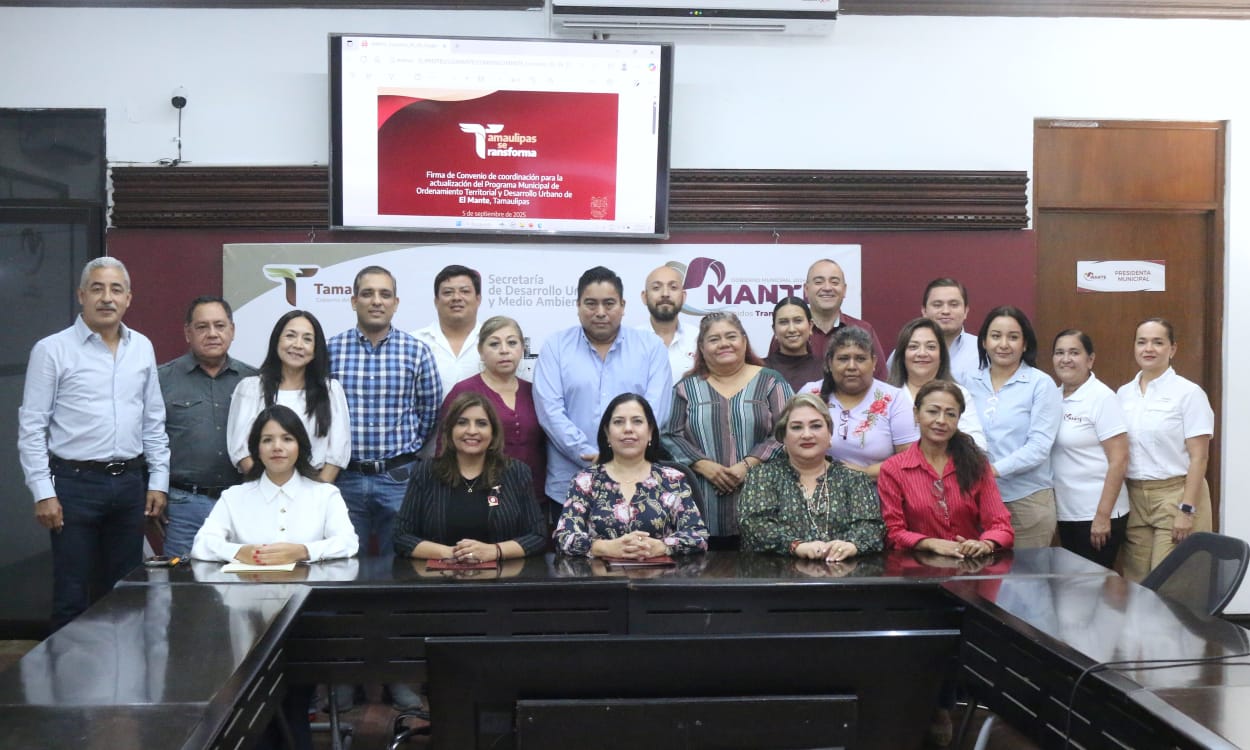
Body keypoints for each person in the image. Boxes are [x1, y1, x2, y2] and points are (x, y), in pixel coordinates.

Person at [191, 404, 358, 750]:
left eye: (286, 438)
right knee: (256, 710)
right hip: (247, 620)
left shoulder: (324, 494)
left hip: (305, 616)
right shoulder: (236, 496)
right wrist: (239, 551)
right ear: (256, 448)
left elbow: (348, 542)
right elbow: (202, 545)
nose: (277, 447)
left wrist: (302, 550)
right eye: (267, 440)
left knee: (293, 705)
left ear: (300, 446)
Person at [18, 257, 170, 629]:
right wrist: (43, 492)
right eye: (97, 288)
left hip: (130, 485)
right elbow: (32, 427)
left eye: (116, 289)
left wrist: (158, 481)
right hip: (74, 487)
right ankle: (67, 669)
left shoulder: (142, 347)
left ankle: (121, 667)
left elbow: (153, 419)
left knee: (125, 594)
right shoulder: (52, 350)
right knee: (72, 595)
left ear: (128, 298)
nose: (107, 298)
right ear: (81, 295)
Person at [328, 266, 438, 712]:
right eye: (368, 293)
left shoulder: (416, 351)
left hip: (399, 480)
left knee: (402, 583)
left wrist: (405, 459)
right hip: (343, 479)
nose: (376, 301)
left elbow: (430, 414)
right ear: (353, 300)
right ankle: (344, 678)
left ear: (396, 303)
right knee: (341, 581)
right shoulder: (330, 350)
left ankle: (399, 679)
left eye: (385, 294)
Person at [534, 266, 673, 525]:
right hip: (569, 483)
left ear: (623, 306)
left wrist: (618, 458)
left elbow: (655, 412)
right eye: (591, 304)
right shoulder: (555, 347)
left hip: (638, 485)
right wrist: (590, 454)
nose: (600, 312)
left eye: (609, 303)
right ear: (578, 305)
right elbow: (550, 412)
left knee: (638, 549)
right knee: (571, 550)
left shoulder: (651, 347)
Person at [663, 312, 792, 544]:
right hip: (701, 507)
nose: (724, 344)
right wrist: (704, 465)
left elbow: (789, 430)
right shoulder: (686, 388)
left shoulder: (771, 381)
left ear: (744, 341)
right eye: (714, 339)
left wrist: (747, 465)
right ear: (701, 348)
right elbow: (669, 434)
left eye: (731, 336)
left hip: (765, 504)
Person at [158, 295, 258, 557]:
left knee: (241, 579)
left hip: (242, 504)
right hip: (183, 506)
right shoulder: (162, 379)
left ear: (232, 330)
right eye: (202, 327)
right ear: (187, 333)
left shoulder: (254, 381)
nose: (212, 333)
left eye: (220, 325)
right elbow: (148, 441)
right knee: (182, 580)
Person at [1116, 318, 1214, 581]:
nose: (1149, 348)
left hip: (1176, 494)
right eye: (1142, 342)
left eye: (1158, 342)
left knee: (1170, 584)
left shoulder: (1189, 393)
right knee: (1136, 583)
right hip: (1135, 497)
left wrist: (1187, 510)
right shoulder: (1123, 394)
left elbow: (1200, 457)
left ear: (1172, 349)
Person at [394, 393, 546, 560]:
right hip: (440, 574)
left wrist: (494, 551)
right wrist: (453, 554)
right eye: (462, 423)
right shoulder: (426, 472)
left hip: (502, 575)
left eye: (481, 424)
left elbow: (537, 536)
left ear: (493, 432)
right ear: (449, 430)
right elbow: (401, 536)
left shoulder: (516, 471)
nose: (472, 431)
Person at [556, 393, 708, 557]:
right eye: (618, 422)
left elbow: (698, 536)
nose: (628, 429)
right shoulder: (585, 481)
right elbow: (564, 537)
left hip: (661, 571)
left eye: (637, 421)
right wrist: (605, 547)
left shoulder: (673, 479)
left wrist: (662, 546)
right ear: (607, 433)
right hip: (599, 572)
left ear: (650, 432)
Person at [739, 394, 884, 562]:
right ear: (783, 437)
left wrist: (851, 545)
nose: (807, 435)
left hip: (842, 571)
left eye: (816, 426)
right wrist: (797, 546)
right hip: (776, 572)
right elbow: (755, 525)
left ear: (829, 434)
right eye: (796, 427)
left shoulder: (854, 479)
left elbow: (872, 527)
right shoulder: (762, 476)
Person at [878, 380, 1015, 555]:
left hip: (968, 562)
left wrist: (986, 544)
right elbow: (892, 532)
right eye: (933, 411)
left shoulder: (976, 463)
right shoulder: (894, 469)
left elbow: (1001, 525)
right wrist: (929, 543)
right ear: (916, 414)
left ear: (959, 419)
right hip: (917, 564)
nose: (941, 420)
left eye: (950, 414)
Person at [965, 306, 1062, 549]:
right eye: (996, 336)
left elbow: (1039, 446)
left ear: (1025, 344)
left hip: (1025, 502)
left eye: (1013, 337)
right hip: (975, 501)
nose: (1004, 344)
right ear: (984, 342)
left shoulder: (1040, 384)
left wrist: (992, 471)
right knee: (978, 572)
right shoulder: (968, 381)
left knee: (1026, 574)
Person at [227, 310, 350, 482]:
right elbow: (241, 451)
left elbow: (337, 453)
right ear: (276, 340)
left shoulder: (330, 391)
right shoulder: (251, 389)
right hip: (262, 487)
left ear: (316, 349)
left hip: (315, 487)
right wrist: (271, 488)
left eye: (307, 339)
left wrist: (316, 493)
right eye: (290, 336)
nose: (298, 345)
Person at [442, 316, 546, 499]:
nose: (504, 350)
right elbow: (444, 447)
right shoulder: (464, 391)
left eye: (512, 343)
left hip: (532, 496)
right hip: (478, 496)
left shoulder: (535, 392)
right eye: (494, 344)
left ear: (522, 348)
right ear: (480, 351)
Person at [1051, 329, 1130, 568]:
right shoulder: (1052, 397)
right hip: (1066, 512)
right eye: (1059, 353)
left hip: (1097, 515)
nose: (1066, 359)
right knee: (1071, 585)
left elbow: (1119, 460)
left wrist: (1102, 516)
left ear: (1090, 359)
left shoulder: (1102, 398)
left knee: (1093, 586)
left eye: (1074, 353)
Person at [800, 326, 917, 479]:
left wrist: (864, 473)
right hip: (813, 486)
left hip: (876, 488)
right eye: (843, 359)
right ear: (829, 362)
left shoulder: (894, 400)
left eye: (860, 359)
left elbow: (909, 459)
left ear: (874, 362)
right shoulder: (810, 394)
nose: (851, 367)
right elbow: (789, 446)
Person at [767, 258, 887, 379]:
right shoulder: (789, 332)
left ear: (844, 290)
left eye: (834, 282)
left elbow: (880, 381)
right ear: (806, 290)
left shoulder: (863, 330)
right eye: (819, 282)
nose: (827, 288)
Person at [887, 317, 985, 449]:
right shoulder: (885, 396)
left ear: (941, 355)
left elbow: (978, 446)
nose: (922, 353)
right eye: (913, 347)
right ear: (902, 354)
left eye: (931, 347)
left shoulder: (959, 393)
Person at [887, 278, 979, 385]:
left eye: (954, 305)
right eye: (937, 305)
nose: (945, 311)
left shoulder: (982, 351)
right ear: (924, 311)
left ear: (966, 311)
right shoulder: (905, 353)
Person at [412, 263, 482, 403]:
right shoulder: (414, 343)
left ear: (478, 299)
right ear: (436, 301)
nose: (456, 297)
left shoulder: (494, 342)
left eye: (465, 291)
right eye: (448, 292)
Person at [637, 263, 700, 382]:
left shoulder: (698, 338)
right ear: (644, 297)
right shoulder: (630, 341)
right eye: (656, 288)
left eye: (673, 287)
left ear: (683, 296)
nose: (665, 294)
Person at [763, 296, 824, 391]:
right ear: (774, 330)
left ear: (810, 326)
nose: (791, 329)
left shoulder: (826, 369)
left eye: (798, 321)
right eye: (783, 322)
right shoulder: (759, 369)